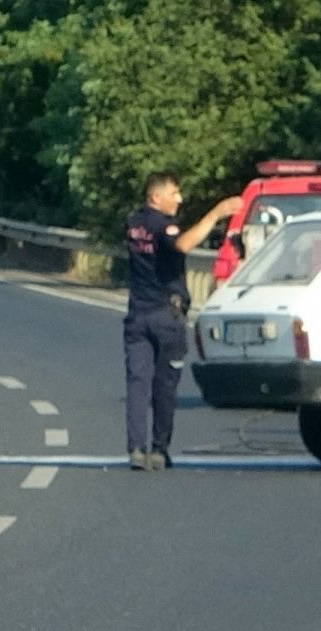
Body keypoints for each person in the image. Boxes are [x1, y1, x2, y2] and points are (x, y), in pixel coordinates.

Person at [124, 172, 242, 470]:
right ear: (156, 197)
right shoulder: (164, 227)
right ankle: (159, 449)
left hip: (137, 315)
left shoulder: (134, 223)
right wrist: (217, 212)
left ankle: (136, 448)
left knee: (138, 384)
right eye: (174, 193)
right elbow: (184, 244)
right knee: (164, 386)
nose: (180, 199)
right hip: (167, 315)